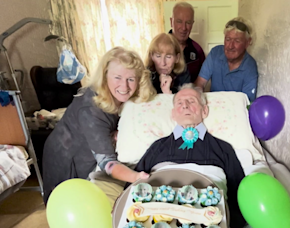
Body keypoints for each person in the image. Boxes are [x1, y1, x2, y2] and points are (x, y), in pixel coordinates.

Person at [42, 47, 155, 204]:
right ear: (105, 75)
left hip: (81, 145)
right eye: (117, 77)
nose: (124, 86)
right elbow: (108, 163)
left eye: (131, 79)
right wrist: (136, 177)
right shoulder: (91, 110)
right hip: (66, 155)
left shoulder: (123, 97)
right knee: (68, 202)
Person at [134, 83, 246, 227]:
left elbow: (240, 197)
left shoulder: (223, 149)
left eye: (192, 101)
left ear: (204, 111)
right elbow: (134, 184)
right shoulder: (157, 147)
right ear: (173, 114)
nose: (185, 106)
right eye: (180, 103)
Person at [195, 17, 258, 102]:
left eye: (237, 41)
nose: (230, 46)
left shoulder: (250, 66)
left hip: (234, 110)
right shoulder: (215, 53)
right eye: (228, 39)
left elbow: (247, 102)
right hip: (213, 106)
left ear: (247, 42)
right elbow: (200, 83)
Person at [169, 2, 205, 82]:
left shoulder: (198, 50)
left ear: (192, 24)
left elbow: (202, 82)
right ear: (171, 21)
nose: (184, 28)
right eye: (179, 21)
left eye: (188, 23)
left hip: (189, 93)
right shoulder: (158, 46)